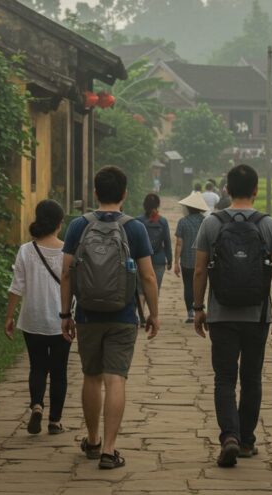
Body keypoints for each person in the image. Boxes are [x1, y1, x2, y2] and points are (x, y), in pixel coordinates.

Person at [61, 166, 160, 470]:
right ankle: (109, 449)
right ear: (124, 194)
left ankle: (91, 441)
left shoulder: (79, 226)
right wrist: (153, 314)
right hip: (123, 315)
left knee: (91, 377)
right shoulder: (134, 228)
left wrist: (66, 313)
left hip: (88, 314)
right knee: (115, 378)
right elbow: (147, 275)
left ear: (94, 193)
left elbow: (66, 274)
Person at [193, 164, 272, 468]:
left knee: (224, 378)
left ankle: (229, 436)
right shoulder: (268, 224)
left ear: (227, 190)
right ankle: (246, 441)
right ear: (256, 190)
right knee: (251, 378)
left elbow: (198, 270)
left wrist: (198, 308)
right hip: (257, 315)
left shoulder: (211, 223)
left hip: (221, 314)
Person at [5, 199, 70, 436]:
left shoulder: (26, 250)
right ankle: (55, 421)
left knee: (38, 367)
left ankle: (37, 405)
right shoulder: (67, 251)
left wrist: (10, 316)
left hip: (32, 319)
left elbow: (16, 287)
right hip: (61, 319)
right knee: (59, 371)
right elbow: (75, 286)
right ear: (59, 223)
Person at [173, 191, 208, 323]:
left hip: (186, 261)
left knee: (188, 285)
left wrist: (176, 262)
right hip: (203, 261)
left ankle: (190, 313)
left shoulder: (182, 222)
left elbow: (179, 243)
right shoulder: (206, 221)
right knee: (202, 284)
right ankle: (200, 308)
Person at [137, 192, 172, 292]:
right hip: (158, 260)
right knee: (155, 290)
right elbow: (167, 242)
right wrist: (169, 259)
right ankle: (153, 308)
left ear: (144, 205)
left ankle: (141, 308)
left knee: (140, 290)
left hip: (141, 260)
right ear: (158, 205)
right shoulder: (162, 221)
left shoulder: (138, 221)